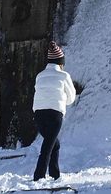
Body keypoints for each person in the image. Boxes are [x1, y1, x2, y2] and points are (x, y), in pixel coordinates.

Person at [32, 41, 77, 181]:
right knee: (47, 146)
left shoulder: (39, 76)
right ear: (60, 62)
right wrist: (62, 100)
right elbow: (71, 98)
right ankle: (38, 176)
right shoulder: (64, 76)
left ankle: (55, 174)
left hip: (38, 114)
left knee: (54, 144)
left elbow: (37, 92)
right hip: (55, 114)